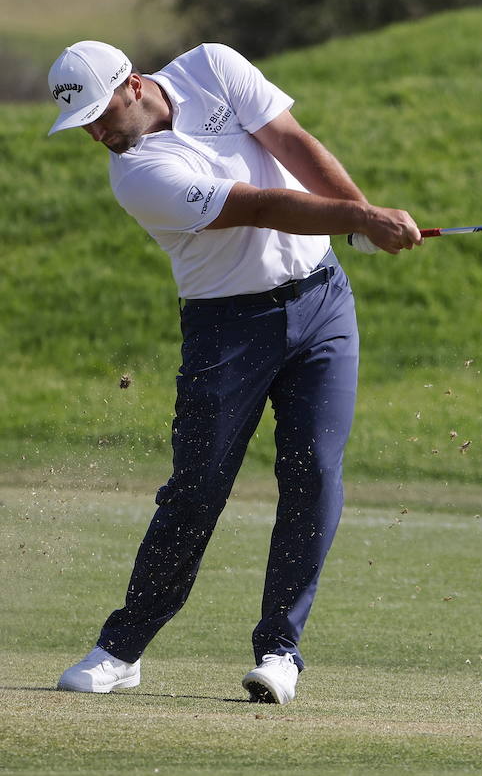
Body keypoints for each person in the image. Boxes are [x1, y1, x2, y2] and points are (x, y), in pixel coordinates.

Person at [48, 40, 421, 704]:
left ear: (133, 85)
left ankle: (281, 649)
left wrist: (358, 212)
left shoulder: (212, 66)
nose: (97, 134)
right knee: (197, 489)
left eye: (101, 115)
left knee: (314, 472)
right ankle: (123, 647)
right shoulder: (136, 175)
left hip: (322, 301)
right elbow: (258, 204)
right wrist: (360, 218)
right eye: (83, 128)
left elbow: (290, 140)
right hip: (228, 326)